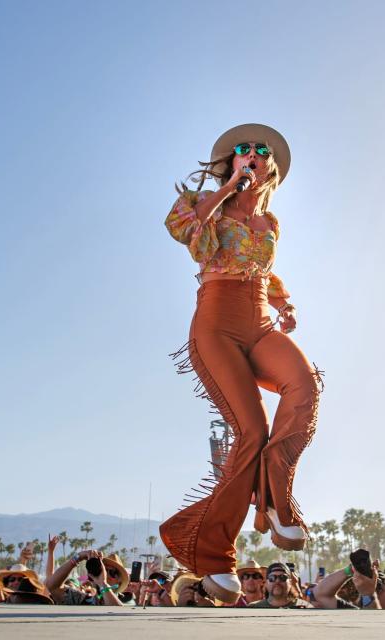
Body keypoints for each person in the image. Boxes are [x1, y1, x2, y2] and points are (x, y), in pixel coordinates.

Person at [160, 123, 324, 604]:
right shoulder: (199, 201)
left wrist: (284, 303)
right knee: (250, 429)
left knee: (304, 384)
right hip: (216, 323)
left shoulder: (271, 223)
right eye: (241, 150)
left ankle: (276, 496)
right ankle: (212, 553)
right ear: (229, 162)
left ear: (271, 165)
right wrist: (228, 189)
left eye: (260, 150)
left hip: (257, 319)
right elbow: (186, 234)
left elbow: (266, 269)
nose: (250, 154)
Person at [248, 563, 312, 609]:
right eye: (272, 578)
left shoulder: (305, 607)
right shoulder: (253, 608)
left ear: (290, 582)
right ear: (266, 583)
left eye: (283, 577)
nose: (277, 581)